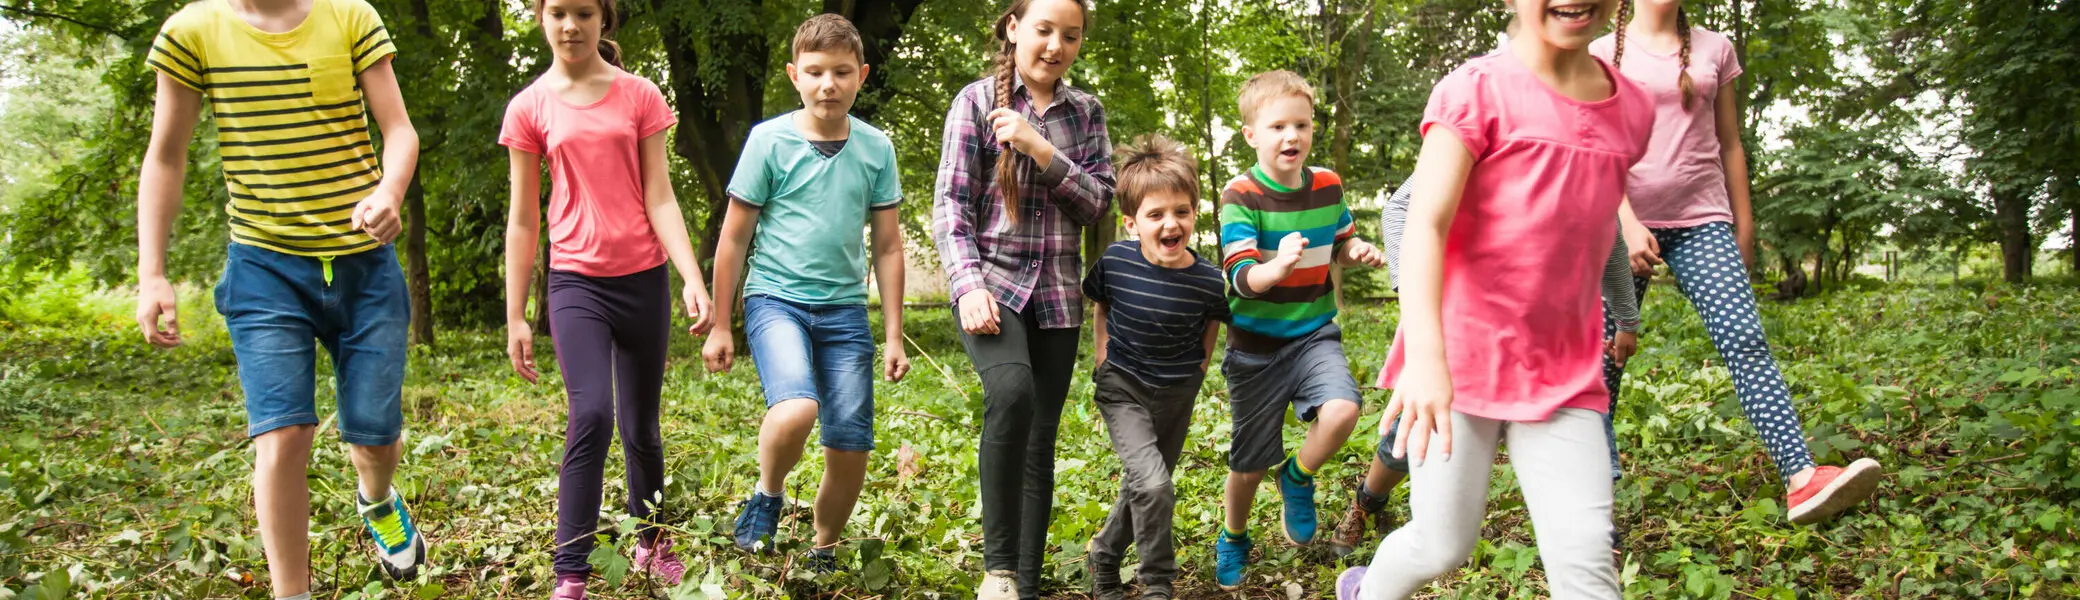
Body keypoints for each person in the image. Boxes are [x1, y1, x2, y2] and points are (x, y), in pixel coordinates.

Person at [1334, 0, 1656, 596]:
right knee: (1441, 543)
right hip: (1458, 368)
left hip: (1564, 375)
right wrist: (1425, 360)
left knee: (1586, 563)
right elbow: (1426, 222)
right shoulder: (1474, 92)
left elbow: (1597, 225)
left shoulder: (1632, 111)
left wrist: (1626, 313)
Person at [137, 0, 423, 597]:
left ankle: (375, 497)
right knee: (283, 433)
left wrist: (390, 190)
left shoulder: (351, 17)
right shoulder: (192, 31)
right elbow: (167, 154)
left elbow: (398, 129)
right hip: (264, 266)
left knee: (374, 437)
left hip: (364, 264)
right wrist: (153, 272)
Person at [1594, 0, 1881, 525]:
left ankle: (1800, 478)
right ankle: (1593, 500)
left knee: (1746, 342)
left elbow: (1730, 144)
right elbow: (1597, 148)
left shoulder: (1714, 47)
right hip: (1621, 226)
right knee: (1604, 362)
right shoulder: (1596, 53)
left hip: (1703, 221)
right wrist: (1627, 222)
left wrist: (1742, 232)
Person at [498, 0, 714, 595]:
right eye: (559, 12)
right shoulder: (529, 107)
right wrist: (516, 314)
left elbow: (661, 197)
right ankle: (571, 574)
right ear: (542, 19)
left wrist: (691, 277)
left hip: (643, 279)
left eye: (584, 13)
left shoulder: (639, 95)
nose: (571, 25)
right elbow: (522, 220)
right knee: (590, 413)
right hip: (575, 283)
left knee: (641, 426)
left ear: (603, 21)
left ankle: (651, 541)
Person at [1325, 180, 1641, 557]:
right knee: (1415, 432)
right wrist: (1411, 293)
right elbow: (1399, 210)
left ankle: (1591, 529)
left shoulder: (1588, 149)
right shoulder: (1481, 129)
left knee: (1579, 422)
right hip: (1466, 326)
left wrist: (1625, 319)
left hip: (1552, 340)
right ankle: (1367, 501)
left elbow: (1610, 234)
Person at [708, 13, 912, 576]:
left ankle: (822, 549)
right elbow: (734, 235)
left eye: (842, 72)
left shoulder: (876, 149)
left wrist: (893, 335)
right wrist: (723, 323)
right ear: (795, 75)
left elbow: (889, 247)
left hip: (845, 310)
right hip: (775, 300)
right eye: (816, 72)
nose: (829, 84)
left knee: (851, 442)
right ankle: (767, 496)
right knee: (797, 407)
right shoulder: (768, 141)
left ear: (862, 76)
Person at [929, 0, 1114, 596]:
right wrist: (968, 287)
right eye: (1043, 30)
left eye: (1071, 35)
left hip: (1058, 296)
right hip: (993, 286)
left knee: (1042, 437)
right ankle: (999, 570)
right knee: (1011, 394)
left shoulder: (1086, 113)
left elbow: (1099, 204)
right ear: (1014, 29)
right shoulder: (976, 103)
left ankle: (1025, 586)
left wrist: (1040, 148)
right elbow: (951, 208)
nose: (1055, 45)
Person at [1213, 70, 1386, 590]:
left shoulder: (1328, 185)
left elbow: (1341, 241)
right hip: (1255, 348)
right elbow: (1240, 276)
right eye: (1278, 126)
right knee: (1247, 467)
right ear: (1251, 135)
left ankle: (1299, 475)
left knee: (1343, 410)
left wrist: (1358, 251)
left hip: (1313, 334)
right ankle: (1234, 535)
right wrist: (1276, 269)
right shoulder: (1240, 194)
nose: (1292, 136)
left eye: (1301, 125)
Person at [1081, 135, 1229, 600]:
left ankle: (1103, 555)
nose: (1171, 223)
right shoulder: (1117, 261)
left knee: (1147, 486)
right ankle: (1157, 582)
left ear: (1194, 214)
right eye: (1156, 214)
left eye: (1181, 212)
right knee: (1154, 484)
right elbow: (1100, 305)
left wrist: (1201, 367)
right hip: (1123, 385)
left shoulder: (1207, 278)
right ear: (1132, 223)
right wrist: (1102, 353)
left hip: (1177, 392)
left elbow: (1212, 321)